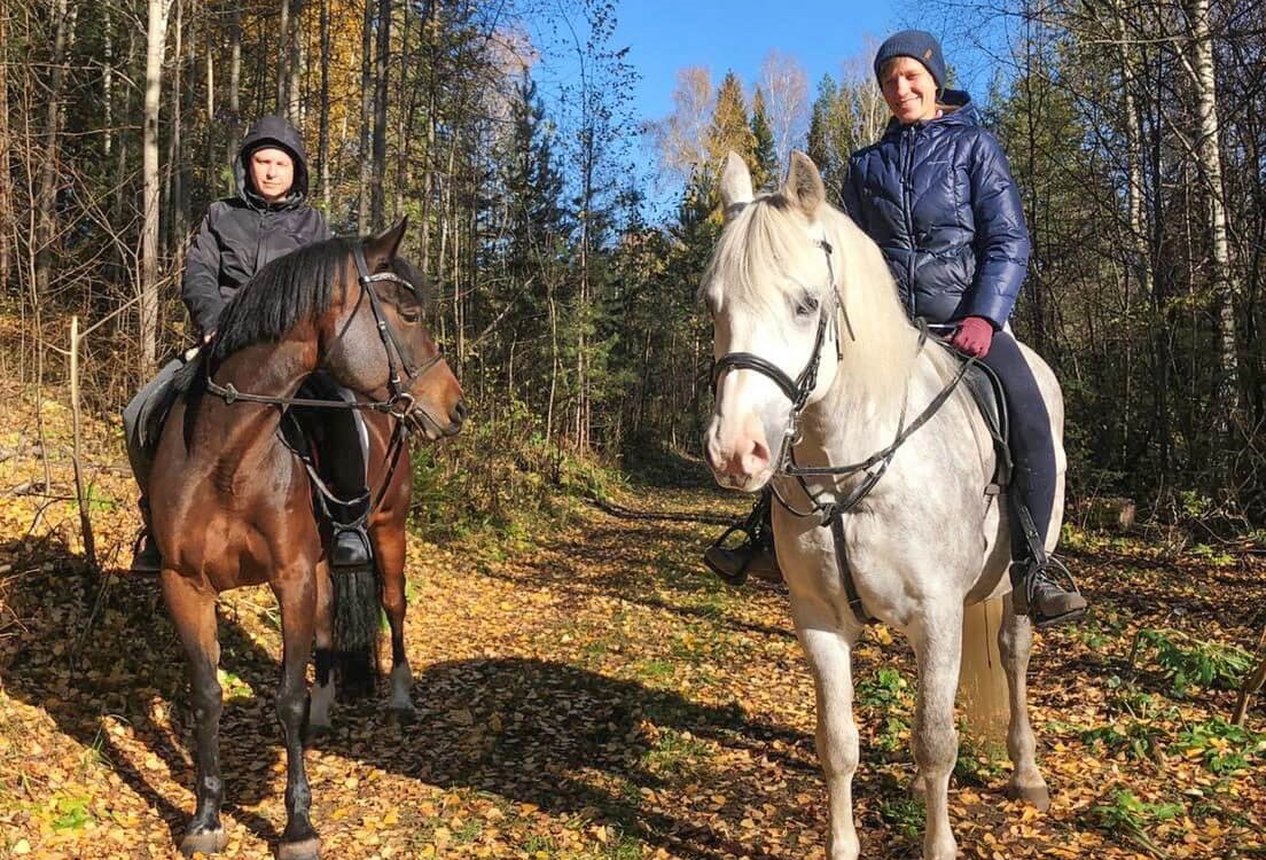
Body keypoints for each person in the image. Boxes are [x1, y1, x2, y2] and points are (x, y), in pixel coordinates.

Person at [707, 31, 1086, 628]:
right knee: (802, 403)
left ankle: (1035, 566)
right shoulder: (866, 165)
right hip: (889, 331)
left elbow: (1008, 241)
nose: (900, 88)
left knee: (1031, 413)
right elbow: (847, 254)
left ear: (934, 78)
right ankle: (764, 536)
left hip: (969, 325)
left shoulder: (976, 149)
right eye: (889, 80)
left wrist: (986, 316)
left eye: (910, 76)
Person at [123, 115, 370, 574]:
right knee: (139, 412)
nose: (272, 171)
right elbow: (198, 274)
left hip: (293, 355)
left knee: (344, 414)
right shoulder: (220, 215)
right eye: (263, 160)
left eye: (281, 162)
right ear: (248, 165)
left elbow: (331, 292)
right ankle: (155, 522)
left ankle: (348, 525)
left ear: (297, 171)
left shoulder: (314, 226)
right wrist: (214, 322)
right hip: (220, 345)